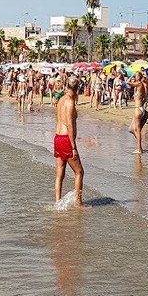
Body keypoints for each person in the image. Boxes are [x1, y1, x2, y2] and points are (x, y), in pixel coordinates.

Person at [54, 76, 84, 206]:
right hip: (66, 139)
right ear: (77, 89)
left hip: (58, 137)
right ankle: (78, 203)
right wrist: (73, 147)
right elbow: (70, 125)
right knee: (79, 172)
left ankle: (57, 202)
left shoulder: (61, 99)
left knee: (60, 173)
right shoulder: (70, 102)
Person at [129, 71, 148, 153]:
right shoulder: (142, 86)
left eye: (136, 76)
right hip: (141, 108)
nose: (135, 77)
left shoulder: (139, 84)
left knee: (137, 130)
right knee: (133, 129)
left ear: (139, 77)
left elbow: (128, 83)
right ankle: (139, 145)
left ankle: (139, 148)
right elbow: (145, 98)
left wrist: (131, 75)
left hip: (138, 109)